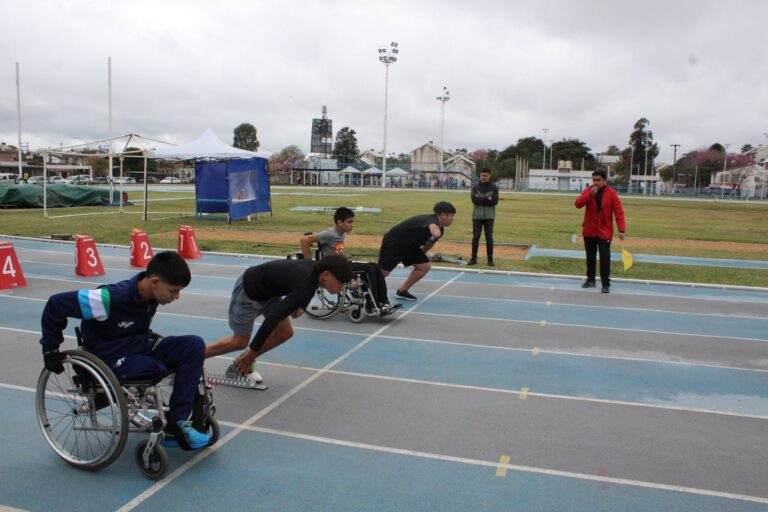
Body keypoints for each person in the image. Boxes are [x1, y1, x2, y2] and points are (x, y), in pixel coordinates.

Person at [39, 251, 211, 449]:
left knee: (194, 345)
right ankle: (176, 422)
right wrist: (50, 349)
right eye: (173, 291)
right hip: (109, 358)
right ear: (154, 282)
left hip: (140, 347)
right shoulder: (109, 299)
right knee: (155, 367)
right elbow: (56, 304)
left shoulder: (150, 297)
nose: (177, 297)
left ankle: (177, 422)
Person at [204, 255, 352, 384]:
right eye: (341, 282)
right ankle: (194, 358)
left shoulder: (315, 271)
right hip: (249, 290)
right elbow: (272, 319)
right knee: (239, 342)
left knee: (285, 333)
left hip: (270, 293)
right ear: (326, 274)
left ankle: (241, 365)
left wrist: (300, 305)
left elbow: (305, 287)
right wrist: (252, 352)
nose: (342, 287)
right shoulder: (305, 285)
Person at [298, 207, 401, 316]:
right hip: (336, 268)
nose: (352, 225)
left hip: (343, 264)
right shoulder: (330, 233)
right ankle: (372, 306)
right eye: (349, 222)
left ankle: (383, 302)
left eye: (352, 222)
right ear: (339, 222)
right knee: (369, 269)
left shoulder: (341, 233)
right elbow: (304, 240)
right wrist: (308, 263)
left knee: (374, 266)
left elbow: (336, 250)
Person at [377, 201, 456, 301]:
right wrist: (435, 233)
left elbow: (429, 244)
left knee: (424, 266)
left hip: (410, 246)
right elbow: (433, 228)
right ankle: (357, 287)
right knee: (383, 272)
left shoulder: (441, 229)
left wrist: (419, 255)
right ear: (443, 215)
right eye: (451, 216)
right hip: (395, 242)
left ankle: (402, 291)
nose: (453, 219)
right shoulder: (432, 220)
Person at [575, 169, 626, 294]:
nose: (596, 183)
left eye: (598, 180)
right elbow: (578, 204)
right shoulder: (588, 191)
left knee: (605, 258)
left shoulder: (612, 194)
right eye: (594, 180)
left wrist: (621, 229)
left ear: (604, 181)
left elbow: (619, 212)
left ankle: (605, 284)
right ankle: (590, 280)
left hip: (604, 231)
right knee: (590, 257)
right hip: (589, 230)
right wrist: (589, 195)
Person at [468, 168, 499, 266]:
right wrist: (488, 198)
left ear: (490, 176)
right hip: (477, 216)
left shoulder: (494, 187)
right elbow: (474, 200)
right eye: (482, 175)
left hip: (489, 217)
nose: (484, 177)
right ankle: (473, 259)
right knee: (475, 237)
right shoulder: (475, 187)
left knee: (489, 238)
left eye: (486, 175)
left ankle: (490, 260)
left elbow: (495, 201)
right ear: (480, 176)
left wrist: (481, 199)